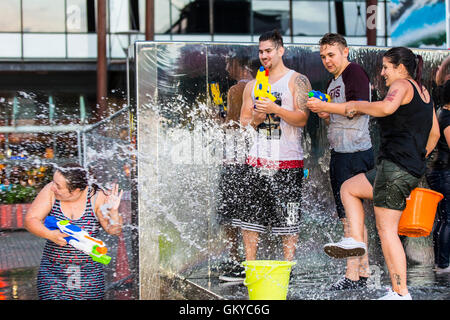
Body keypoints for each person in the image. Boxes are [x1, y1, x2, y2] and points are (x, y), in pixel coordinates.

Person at [307, 46, 440, 300]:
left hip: (395, 169)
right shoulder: (424, 93)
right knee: (349, 188)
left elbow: (387, 108)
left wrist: (357, 105)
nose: (382, 72)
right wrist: (417, 158)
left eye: (386, 67)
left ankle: (400, 292)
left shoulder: (401, 84)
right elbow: (433, 133)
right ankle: (355, 241)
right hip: (400, 169)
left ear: (400, 68)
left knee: (387, 231)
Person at [237, 29, 311, 262]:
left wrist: (275, 109)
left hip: (287, 162)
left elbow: (303, 119)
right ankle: (250, 265)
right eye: (260, 52)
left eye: (268, 50)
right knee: (251, 220)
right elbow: (244, 124)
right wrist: (258, 118)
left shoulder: (297, 80)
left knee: (288, 220)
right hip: (257, 161)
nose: (264, 56)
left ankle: (288, 267)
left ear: (281, 50)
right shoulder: (252, 85)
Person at [313, 33, 374, 290]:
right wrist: (325, 113)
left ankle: (353, 274)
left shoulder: (354, 72)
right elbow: (340, 116)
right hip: (341, 153)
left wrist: (328, 108)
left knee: (351, 218)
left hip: (355, 153)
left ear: (345, 51)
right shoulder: (333, 82)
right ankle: (363, 271)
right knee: (349, 217)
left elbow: (359, 107)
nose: (327, 60)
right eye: (323, 56)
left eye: (331, 54)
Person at [24, 163, 123, 300]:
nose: (53, 187)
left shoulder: (96, 197)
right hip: (53, 272)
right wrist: (50, 234)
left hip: (89, 273)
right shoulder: (51, 191)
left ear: (76, 190)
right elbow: (31, 220)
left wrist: (114, 212)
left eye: (58, 186)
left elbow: (114, 230)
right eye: (54, 182)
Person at [216, 53, 254, 282]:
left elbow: (233, 125)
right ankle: (254, 260)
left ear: (237, 64)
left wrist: (217, 120)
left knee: (229, 213)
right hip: (253, 159)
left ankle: (235, 259)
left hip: (235, 159)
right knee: (249, 212)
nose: (226, 67)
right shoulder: (259, 86)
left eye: (228, 63)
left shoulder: (236, 90)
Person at [426, 56, 450, 273]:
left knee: (445, 217)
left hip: (439, 171)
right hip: (443, 172)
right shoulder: (447, 116)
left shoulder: (442, 112)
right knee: (447, 217)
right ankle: (442, 264)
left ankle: (442, 262)